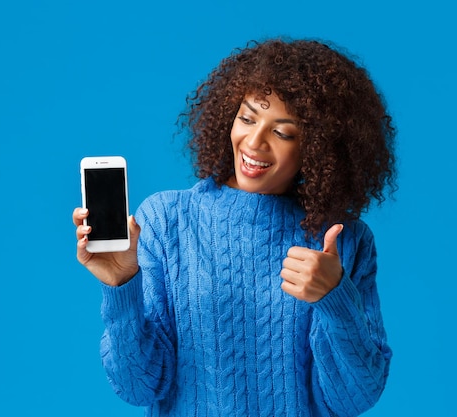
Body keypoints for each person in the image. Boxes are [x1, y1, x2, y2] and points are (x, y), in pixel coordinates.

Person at [73, 37, 397, 417]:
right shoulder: (166, 221)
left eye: (282, 132)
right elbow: (138, 386)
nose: (255, 142)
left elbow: (354, 398)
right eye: (247, 118)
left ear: (319, 146)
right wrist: (121, 287)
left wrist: (335, 298)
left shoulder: (344, 241)